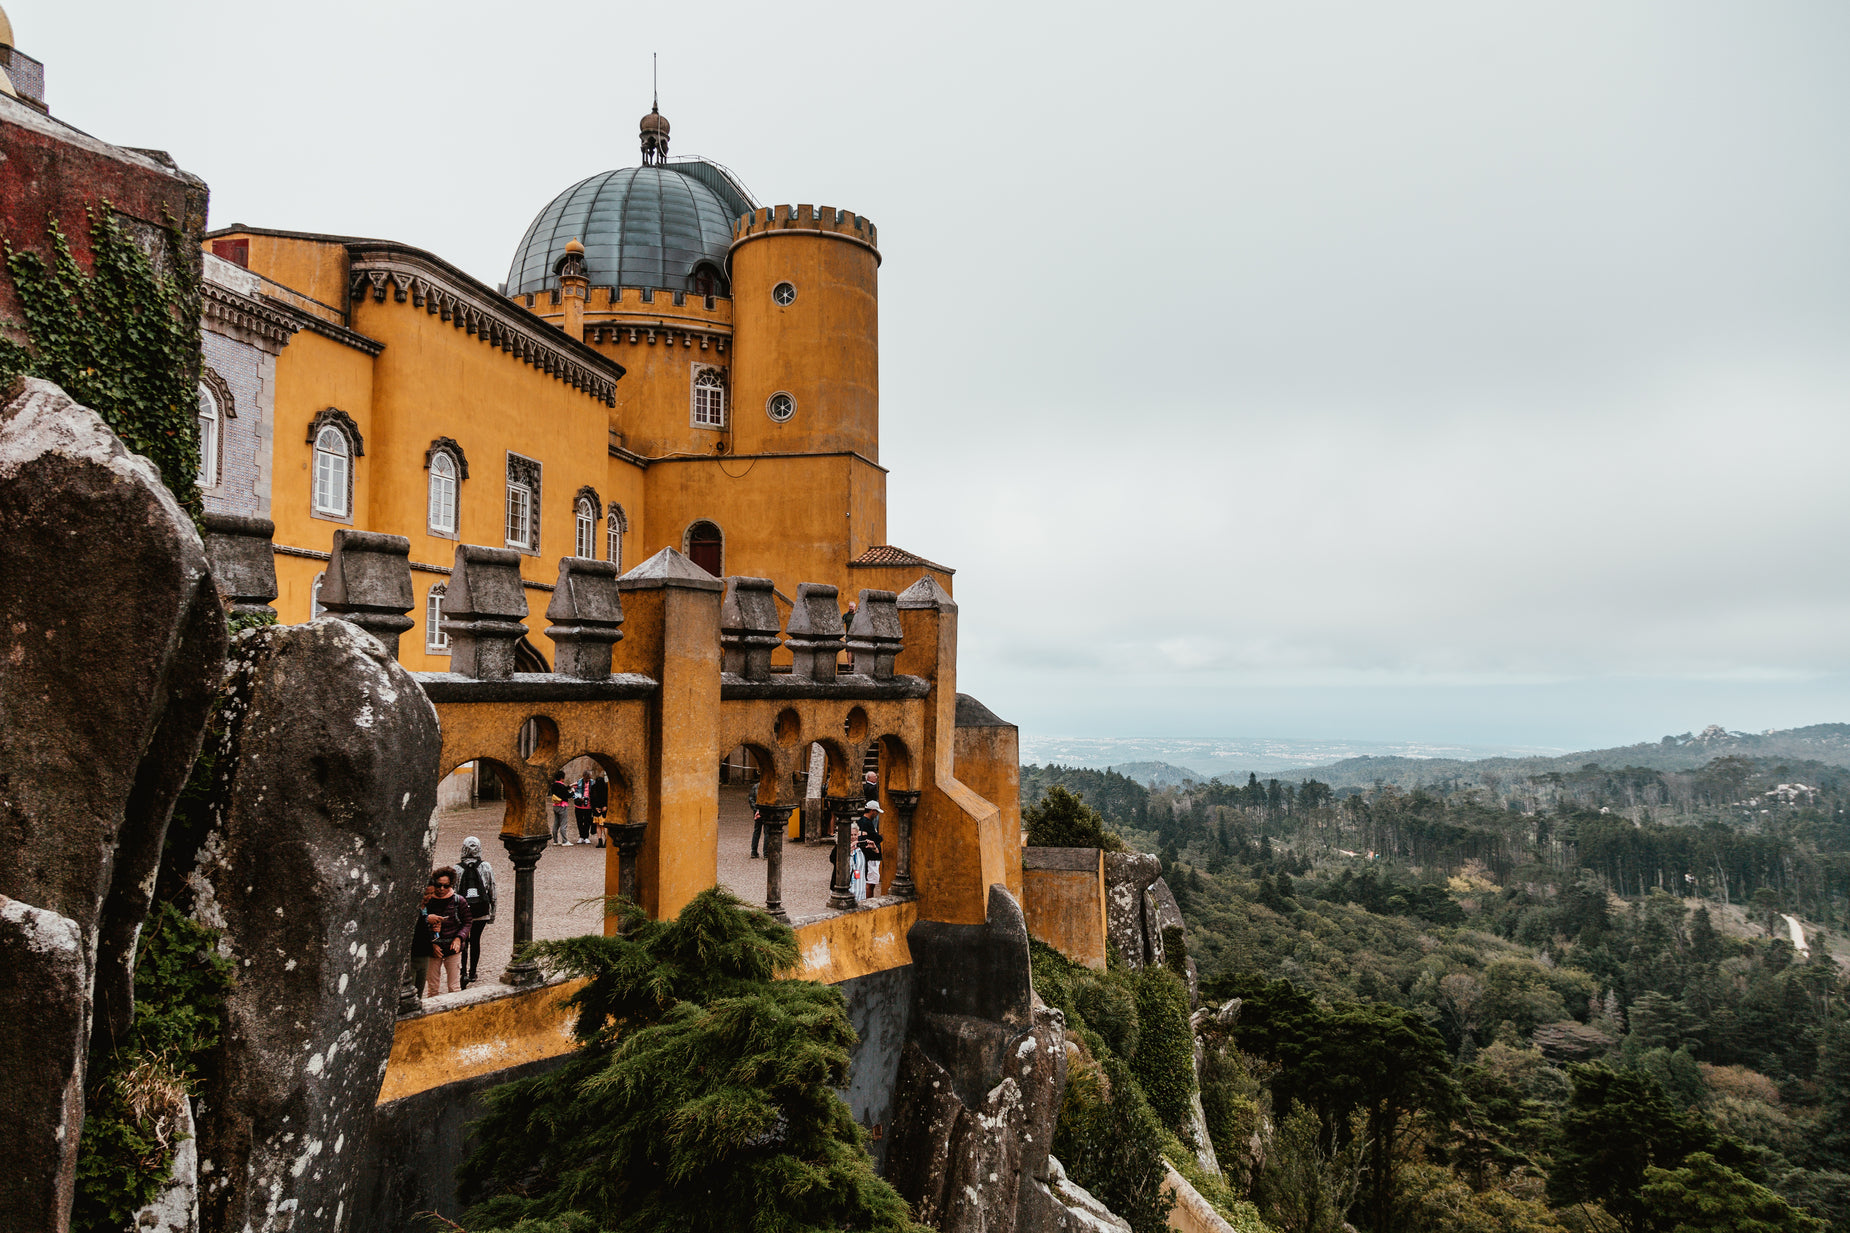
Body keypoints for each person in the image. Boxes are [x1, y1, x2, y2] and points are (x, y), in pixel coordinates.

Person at [421, 867, 472, 996]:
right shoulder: (428, 901)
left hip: (452, 947)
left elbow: (467, 922)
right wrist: (431, 944)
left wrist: (459, 938)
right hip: (433, 949)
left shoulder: (458, 901)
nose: (442, 889)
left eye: (446, 885)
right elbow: (420, 926)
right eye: (439, 885)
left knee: (454, 987)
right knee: (432, 988)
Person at [456, 837, 496, 988]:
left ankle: (463, 972)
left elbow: (454, 893)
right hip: (482, 911)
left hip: (463, 912)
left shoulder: (457, 869)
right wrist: (492, 913)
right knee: (476, 941)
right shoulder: (486, 867)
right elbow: (492, 889)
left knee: (464, 940)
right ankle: (473, 972)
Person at [857, 801, 884, 896]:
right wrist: (880, 837)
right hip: (871, 856)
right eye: (876, 812)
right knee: (870, 882)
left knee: (871, 881)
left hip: (870, 857)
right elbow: (875, 837)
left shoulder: (862, 821)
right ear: (872, 811)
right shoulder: (866, 823)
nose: (876, 815)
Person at [549, 771, 572, 845]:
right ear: (562, 778)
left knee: (556, 823)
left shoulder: (554, 785)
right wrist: (573, 792)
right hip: (562, 806)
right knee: (563, 824)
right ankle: (564, 841)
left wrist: (570, 786)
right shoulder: (562, 786)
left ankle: (555, 840)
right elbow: (567, 795)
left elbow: (562, 790)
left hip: (555, 805)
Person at [573, 770, 595, 843]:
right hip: (579, 805)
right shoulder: (578, 782)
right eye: (586, 779)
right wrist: (578, 797)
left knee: (587, 821)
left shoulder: (592, 782)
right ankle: (581, 836)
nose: (587, 780)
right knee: (579, 821)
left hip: (588, 806)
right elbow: (573, 790)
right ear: (583, 777)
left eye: (588, 779)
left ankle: (586, 836)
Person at [848, 822, 867, 902]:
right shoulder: (841, 849)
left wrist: (874, 848)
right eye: (851, 835)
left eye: (855, 835)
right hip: (848, 889)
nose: (853, 837)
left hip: (860, 888)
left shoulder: (861, 849)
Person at [590, 772, 610, 847]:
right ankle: (603, 841)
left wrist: (595, 807)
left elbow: (592, 798)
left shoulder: (594, 787)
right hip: (600, 808)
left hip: (598, 808)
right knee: (602, 825)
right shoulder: (605, 787)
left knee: (600, 825)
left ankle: (601, 841)